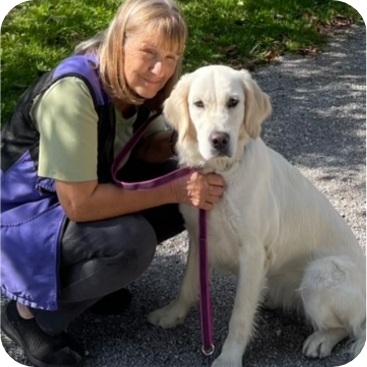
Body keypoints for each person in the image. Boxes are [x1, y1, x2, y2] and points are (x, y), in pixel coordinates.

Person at [0, 0, 224, 366]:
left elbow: (140, 149)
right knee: (132, 244)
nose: (159, 70)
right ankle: (29, 315)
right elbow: (80, 204)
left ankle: (89, 285)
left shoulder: (138, 86)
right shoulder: (72, 92)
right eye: (149, 52)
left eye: (171, 57)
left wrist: (183, 141)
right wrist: (177, 189)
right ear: (118, 40)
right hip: (21, 215)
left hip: (71, 196)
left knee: (176, 193)